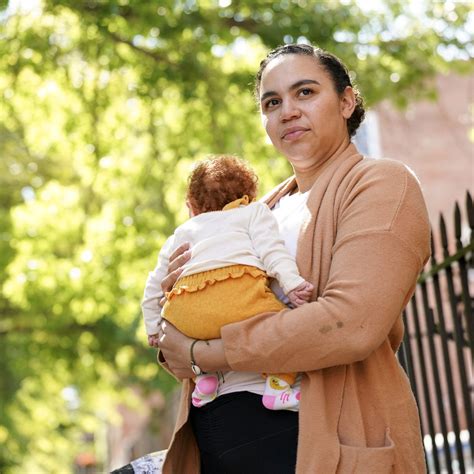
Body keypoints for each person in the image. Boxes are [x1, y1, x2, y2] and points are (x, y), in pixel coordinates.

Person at [117, 43, 430, 474]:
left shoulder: (381, 185)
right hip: (215, 442)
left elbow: (351, 323)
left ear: (345, 101)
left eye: (305, 92)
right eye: (272, 102)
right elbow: (183, 352)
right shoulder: (255, 210)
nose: (287, 111)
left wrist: (204, 352)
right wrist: (180, 305)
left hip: (314, 446)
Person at [142, 154, 313, 411]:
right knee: (282, 328)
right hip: (240, 302)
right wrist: (292, 284)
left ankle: (206, 381)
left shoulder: (182, 231)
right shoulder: (253, 213)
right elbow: (272, 252)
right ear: (248, 196)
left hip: (186, 316)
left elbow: (154, 283)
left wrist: (153, 325)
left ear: (191, 205)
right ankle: (279, 387)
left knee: (203, 325)